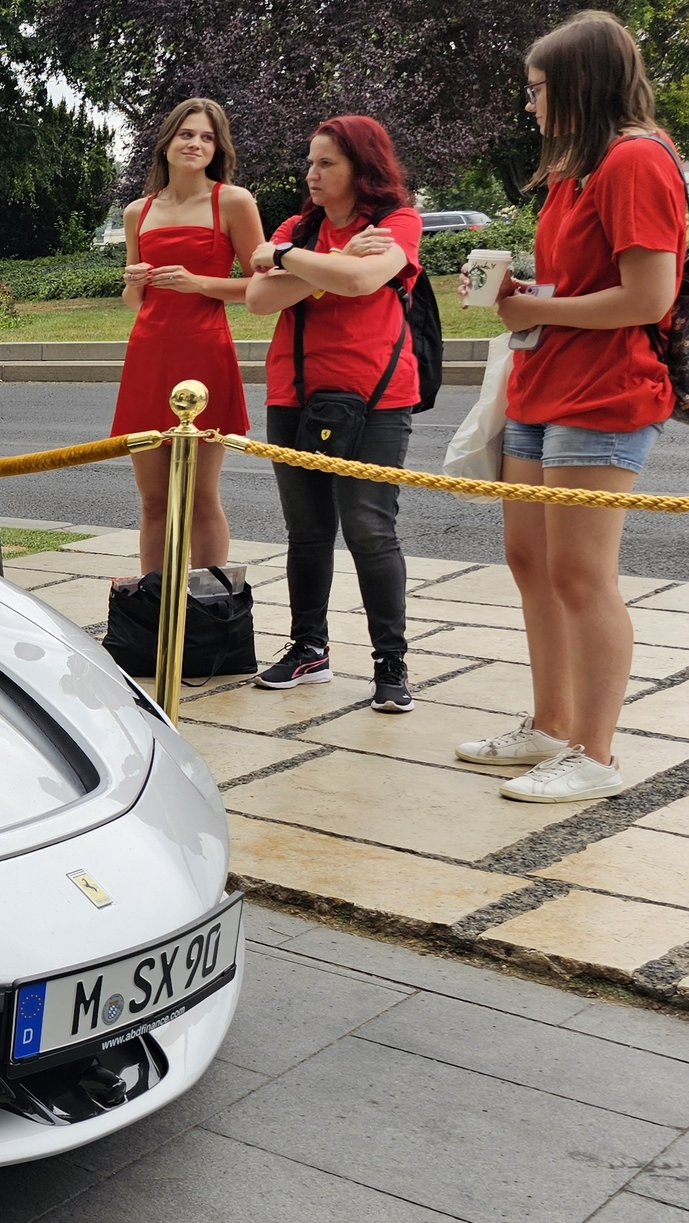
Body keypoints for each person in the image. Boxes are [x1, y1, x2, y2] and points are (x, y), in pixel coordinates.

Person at [456, 13, 684, 802]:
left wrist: (538, 313)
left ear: (579, 85)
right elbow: (588, 283)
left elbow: (649, 296)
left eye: (539, 89)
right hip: (545, 384)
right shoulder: (576, 168)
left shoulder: (634, 162)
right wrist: (519, 293)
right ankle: (551, 725)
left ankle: (597, 752)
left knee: (583, 574)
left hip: (606, 390)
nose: (530, 105)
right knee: (532, 560)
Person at [243, 116, 422, 713]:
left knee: (371, 529)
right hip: (293, 392)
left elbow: (366, 278)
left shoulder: (397, 222)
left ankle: (391, 664)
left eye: (327, 164)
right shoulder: (299, 226)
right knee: (308, 530)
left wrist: (291, 259)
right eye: (311, 162)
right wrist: (328, 260)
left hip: (376, 398)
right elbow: (257, 298)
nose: (311, 174)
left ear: (360, 169)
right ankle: (308, 649)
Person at [112, 98, 264, 578]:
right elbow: (135, 302)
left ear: (217, 148)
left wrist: (200, 283)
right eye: (186, 134)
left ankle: (210, 607)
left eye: (206, 137)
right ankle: (152, 607)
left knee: (200, 498)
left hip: (205, 354)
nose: (195, 144)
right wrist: (135, 280)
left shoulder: (233, 201)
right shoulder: (139, 210)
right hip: (148, 356)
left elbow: (261, 286)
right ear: (167, 142)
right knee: (154, 501)